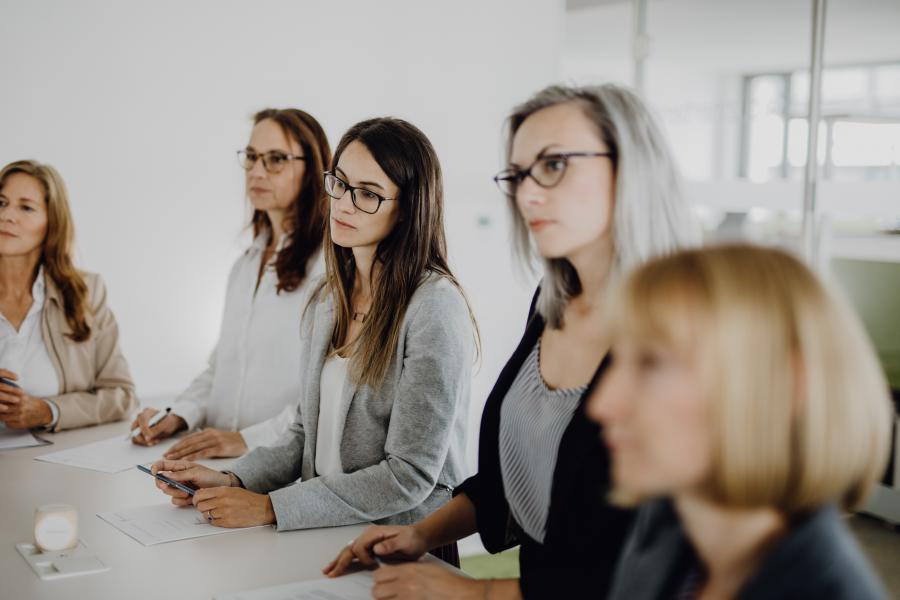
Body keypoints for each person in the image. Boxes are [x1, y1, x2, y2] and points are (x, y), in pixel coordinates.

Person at [326, 84, 698, 598]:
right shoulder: (552, 300)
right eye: (519, 175)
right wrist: (419, 533)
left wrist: (476, 593)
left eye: (554, 165)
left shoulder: (683, 328)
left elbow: (644, 561)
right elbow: (510, 482)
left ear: (630, 167)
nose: (528, 193)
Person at [149, 118, 478, 564]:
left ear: (408, 208)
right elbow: (305, 434)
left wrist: (270, 507)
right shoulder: (330, 298)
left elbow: (409, 475)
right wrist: (233, 480)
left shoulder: (433, 307)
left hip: (403, 543)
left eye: (367, 193)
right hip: (328, 530)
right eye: (339, 184)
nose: (343, 203)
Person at [590, 244, 891, 600]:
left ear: (784, 385)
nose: (602, 405)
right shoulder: (665, 524)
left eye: (652, 363)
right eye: (618, 361)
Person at [131, 108, 331, 459]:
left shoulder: (329, 268)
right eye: (252, 157)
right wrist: (178, 415)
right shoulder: (245, 264)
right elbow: (219, 368)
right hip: (219, 461)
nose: (256, 171)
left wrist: (246, 440)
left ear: (313, 168)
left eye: (276, 160)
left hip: (281, 463)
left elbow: (328, 391)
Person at [0, 159, 136, 431]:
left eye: (26, 207)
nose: (7, 216)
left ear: (52, 223)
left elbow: (121, 395)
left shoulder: (86, 292)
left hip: (51, 463)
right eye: (1, 203)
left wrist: (49, 411)